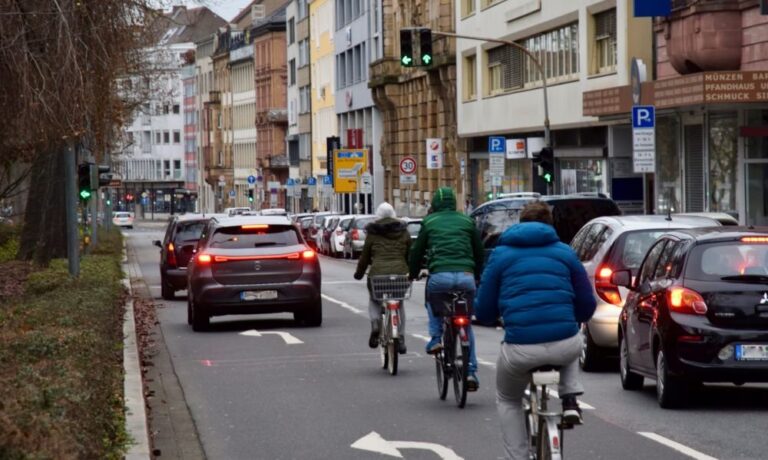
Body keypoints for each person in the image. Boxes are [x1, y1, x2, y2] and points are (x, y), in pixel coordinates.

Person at [474, 201, 596, 460]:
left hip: (521, 348)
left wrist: (491, 317)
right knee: (572, 340)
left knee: (508, 399)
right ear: (549, 225)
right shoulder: (565, 252)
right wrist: (573, 318)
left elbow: (484, 308)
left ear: (520, 223)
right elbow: (586, 304)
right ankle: (570, 398)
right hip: (564, 343)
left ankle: (517, 456)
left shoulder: (501, 254)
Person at [409, 187, 485, 391]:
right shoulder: (467, 221)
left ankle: (435, 339)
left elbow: (417, 251)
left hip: (440, 275)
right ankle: (471, 371)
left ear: (434, 204)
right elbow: (479, 251)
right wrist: (477, 274)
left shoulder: (429, 222)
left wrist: (412, 272)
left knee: (432, 302)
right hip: (465, 277)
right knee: (466, 323)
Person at [354, 202, 412, 354]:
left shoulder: (373, 233)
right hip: (400, 274)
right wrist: (412, 272)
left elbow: (365, 257)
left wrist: (359, 274)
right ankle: (401, 337)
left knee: (374, 298)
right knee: (399, 302)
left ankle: (375, 324)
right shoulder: (404, 231)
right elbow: (410, 255)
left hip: (377, 274)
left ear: (378, 216)